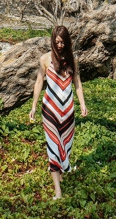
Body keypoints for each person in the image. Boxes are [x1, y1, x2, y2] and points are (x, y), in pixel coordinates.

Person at [28, 25, 87, 200]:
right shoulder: (45, 59)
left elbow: (77, 82)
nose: (59, 45)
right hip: (50, 110)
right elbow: (39, 82)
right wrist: (33, 106)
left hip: (68, 110)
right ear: (52, 40)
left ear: (67, 42)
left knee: (65, 147)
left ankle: (60, 169)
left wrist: (82, 103)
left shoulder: (71, 60)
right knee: (53, 147)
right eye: (57, 41)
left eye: (62, 42)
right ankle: (58, 192)